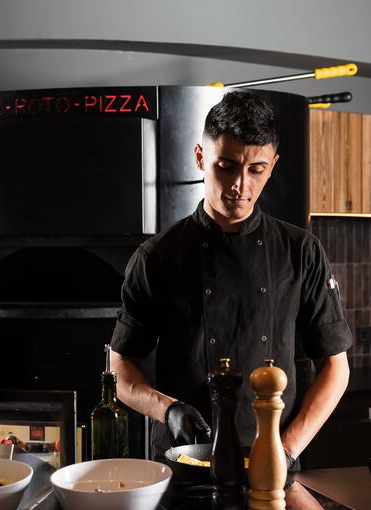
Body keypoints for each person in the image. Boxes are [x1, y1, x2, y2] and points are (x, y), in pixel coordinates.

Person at [109, 92, 351, 466]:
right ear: (201, 158)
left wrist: (285, 450)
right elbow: (120, 367)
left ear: (273, 166)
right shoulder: (156, 257)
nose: (241, 184)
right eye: (226, 165)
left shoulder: (301, 251)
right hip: (183, 465)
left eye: (256, 169)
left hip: (271, 465)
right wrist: (167, 409)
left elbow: (336, 367)